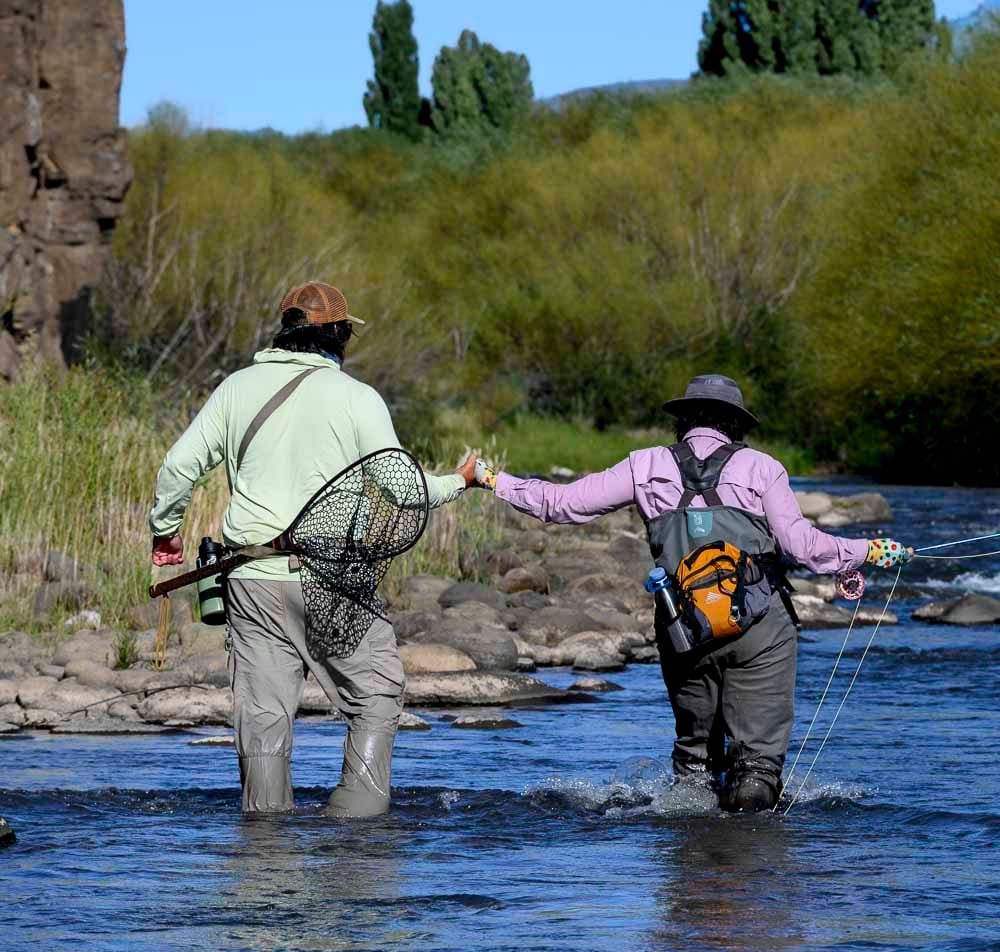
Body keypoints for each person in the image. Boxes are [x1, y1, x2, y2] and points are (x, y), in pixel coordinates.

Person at [473, 374, 912, 812]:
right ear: (735, 424)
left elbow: (560, 504)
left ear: (681, 421)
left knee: (695, 770)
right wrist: (869, 550)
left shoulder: (643, 465)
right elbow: (805, 548)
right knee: (756, 771)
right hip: (759, 631)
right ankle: (752, 862)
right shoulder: (763, 468)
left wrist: (489, 477)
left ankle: (691, 873)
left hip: (682, 627)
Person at [149, 281, 476, 817]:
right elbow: (403, 490)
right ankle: (357, 823)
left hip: (250, 577)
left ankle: (265, 842)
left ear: (286, 332)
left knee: (262, 715)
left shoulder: (235, 388)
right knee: (375, 694)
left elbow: (177, 469)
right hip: (335, 580)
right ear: (340, 336)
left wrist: (166, 533)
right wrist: (461, 480)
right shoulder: (357, 398)